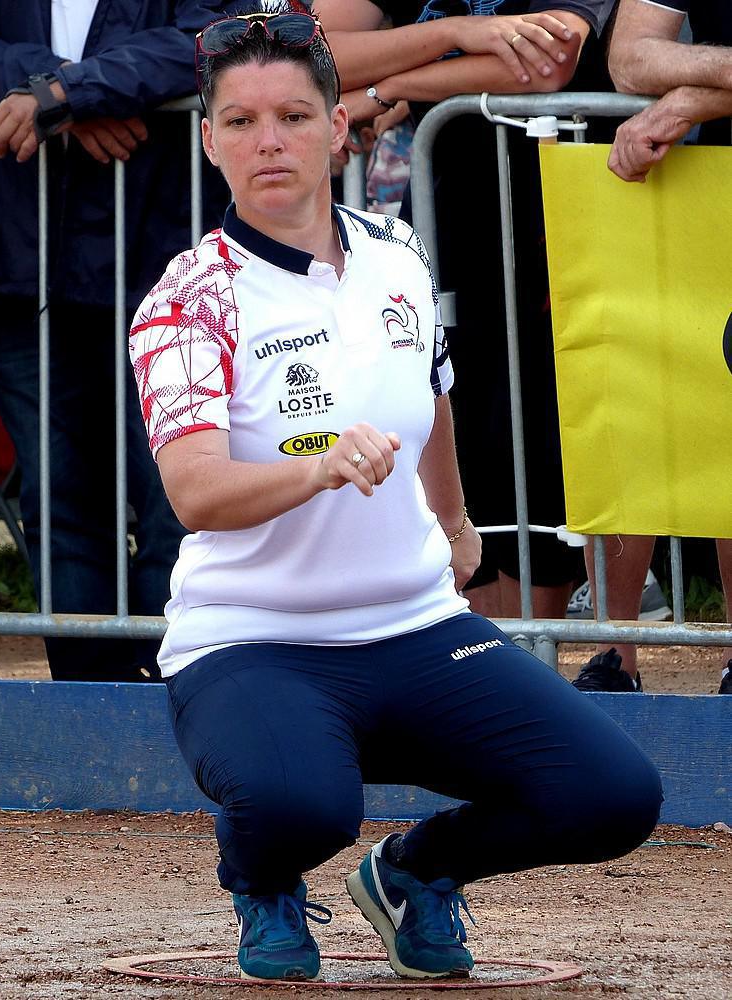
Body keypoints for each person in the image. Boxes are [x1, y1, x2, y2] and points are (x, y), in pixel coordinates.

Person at [130, 4, 662, 982]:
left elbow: (433, 393)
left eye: (292, 115)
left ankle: (416, 874)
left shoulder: (394, 258)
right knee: (303, 806)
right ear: (208, 141)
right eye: (239, 121)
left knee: (613, 793)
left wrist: (456, 524)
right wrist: (315, 468)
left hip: (413, 631)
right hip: (253, 640)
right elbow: (196, 491)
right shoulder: (185, 298)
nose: (268, 141)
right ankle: (263, 879)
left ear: (339, 129)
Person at [0, 0, 236, 681]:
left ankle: (180, 697)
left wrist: (66, 95)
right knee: (60, 501)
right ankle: (86, 704)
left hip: (163, 269)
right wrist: (64, 95)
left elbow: (213, 39)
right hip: (23, 270)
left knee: (182, 498)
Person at [315, 0, 616, 624]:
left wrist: (392, 82)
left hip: (564, 210)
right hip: (452, 211)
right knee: (463, 423)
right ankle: (481, 642)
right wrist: (456, 36)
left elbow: (548, 64)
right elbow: (312, 50)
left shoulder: (398, 83)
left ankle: (543, 653)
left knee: (542, 433)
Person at [572, 0, 732, 695]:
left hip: (680, 165)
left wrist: (682, 99)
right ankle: (616, 652)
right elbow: (631, 57)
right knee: (636, 389)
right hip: (682, 187)